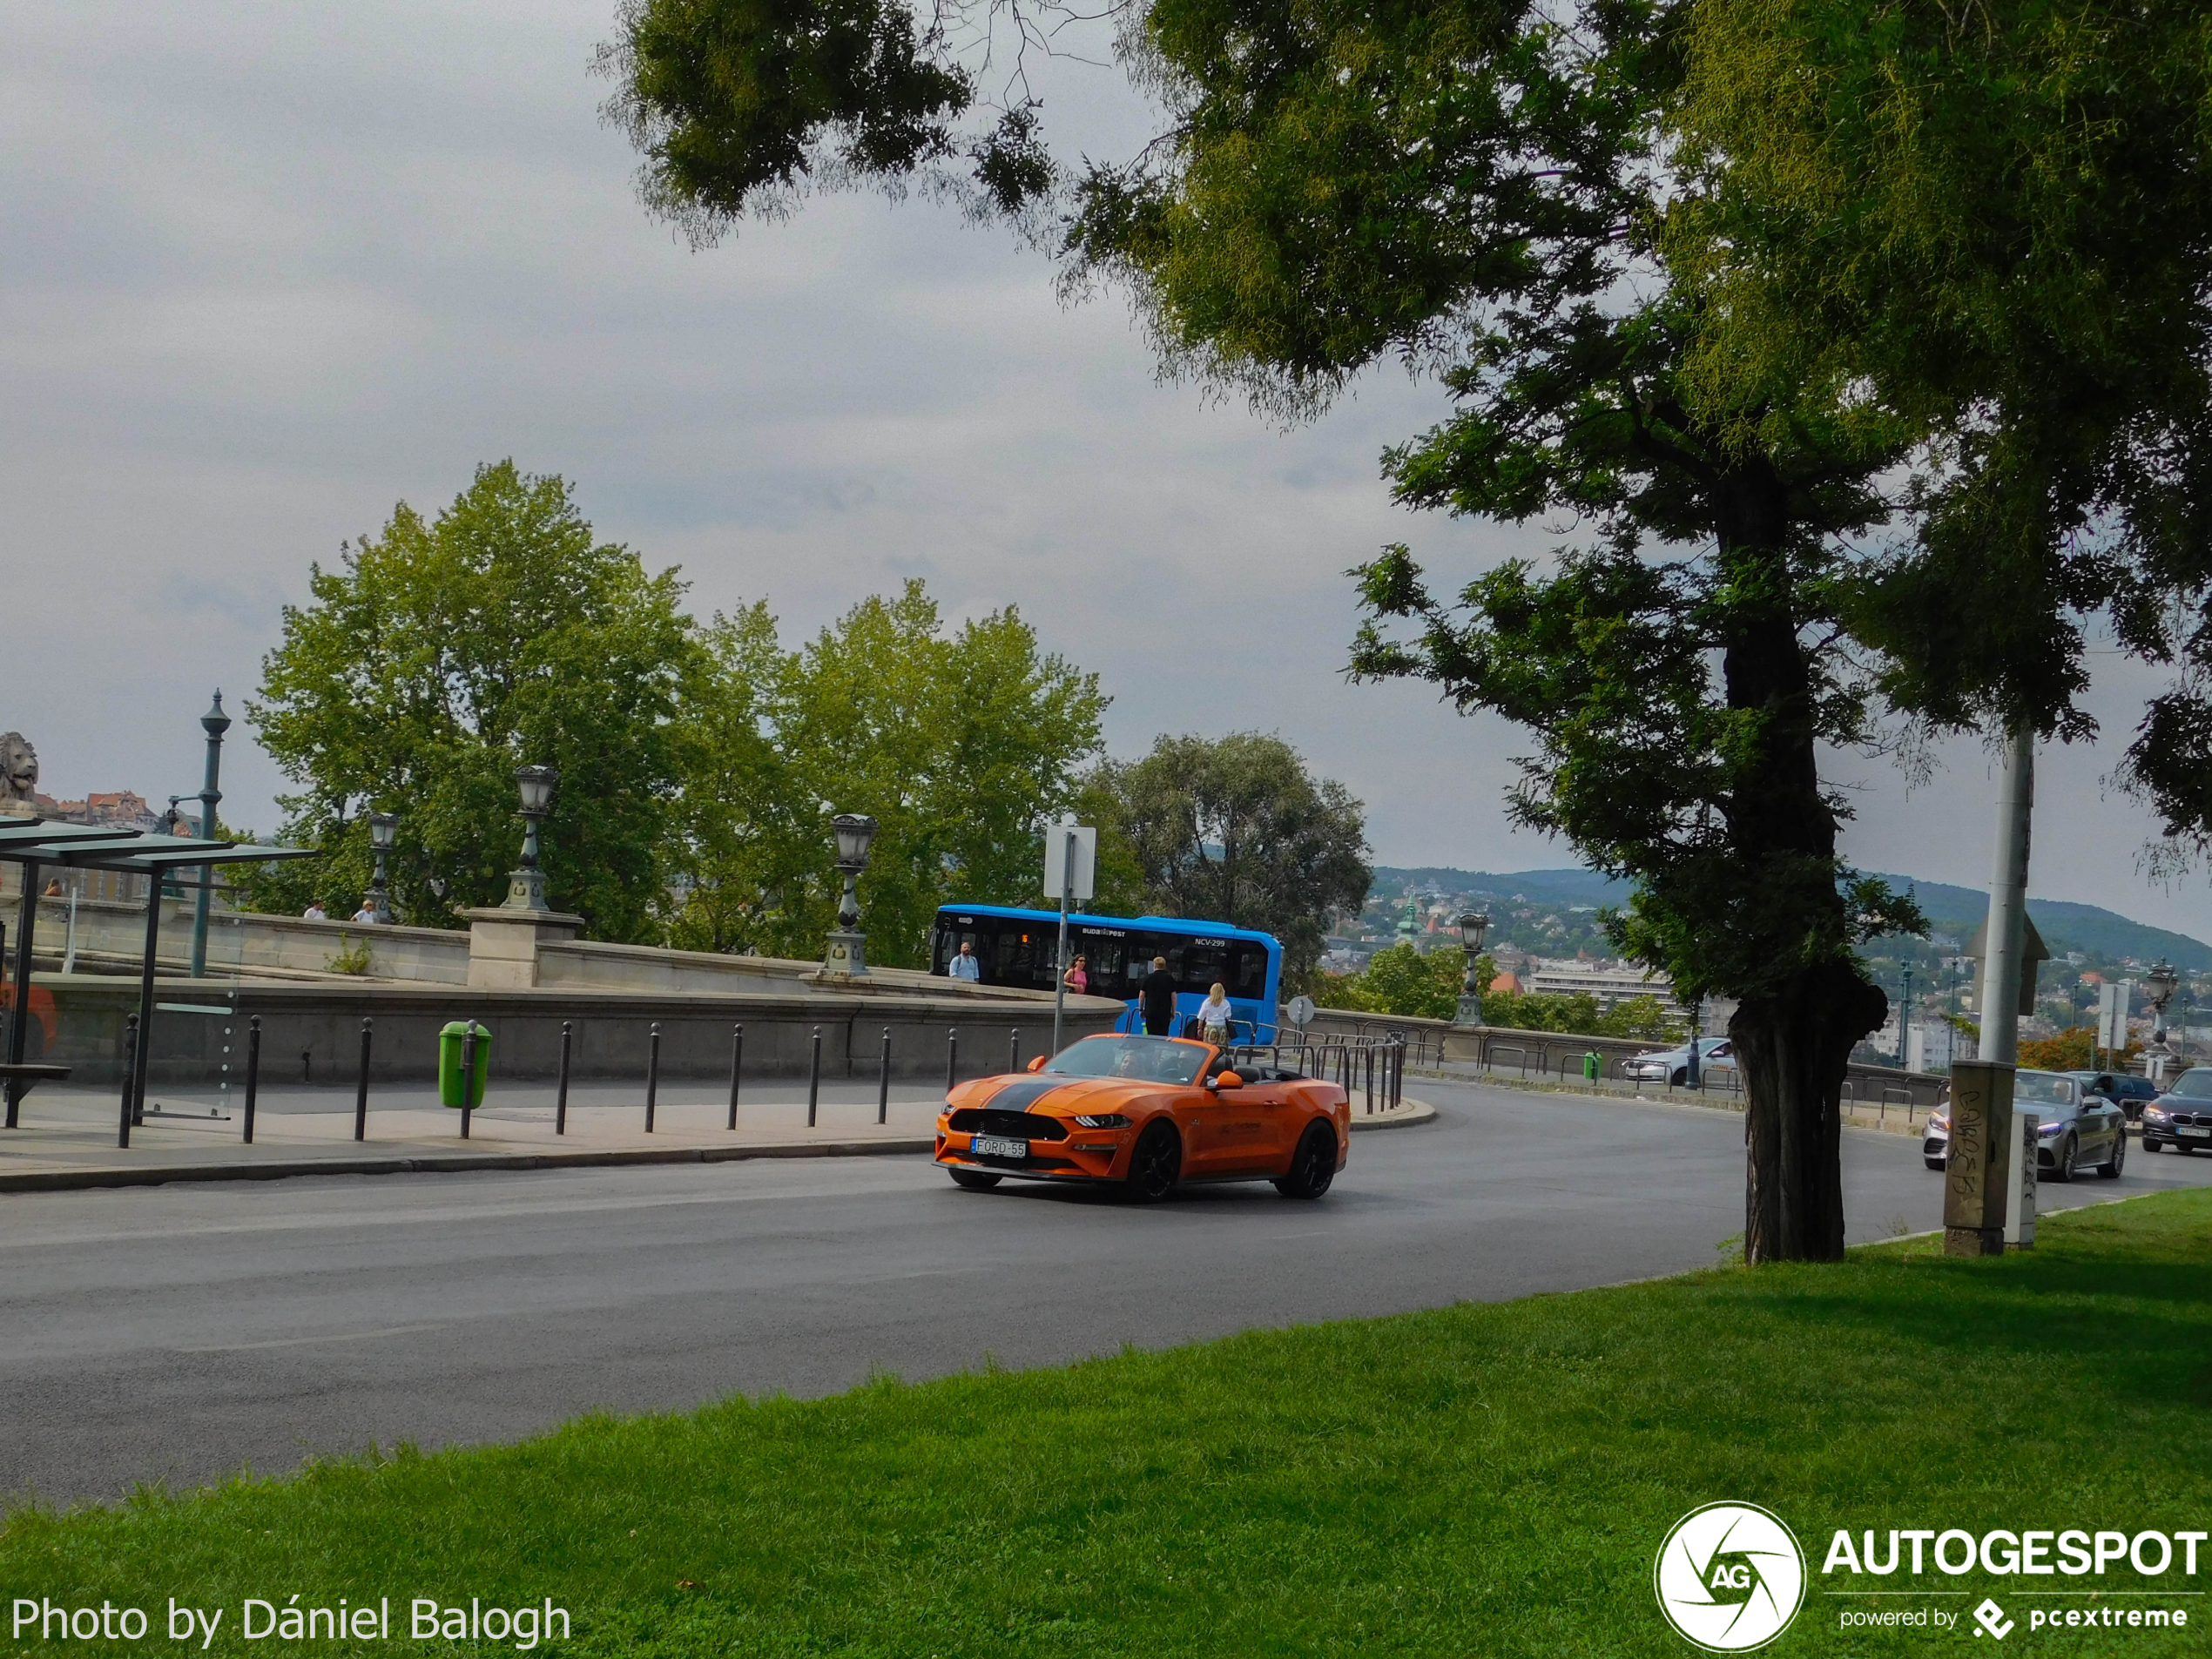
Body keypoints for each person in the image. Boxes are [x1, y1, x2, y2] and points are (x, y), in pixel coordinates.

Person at [1139, 955, 1177, 1036]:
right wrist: (1173, 1012)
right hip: (1164, 1013)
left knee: (1151, 1036)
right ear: (1164, 966)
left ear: (1155, 965)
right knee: (1163, 1036)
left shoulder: (1148, 978)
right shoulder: (1170, 979)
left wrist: (1141, 1009)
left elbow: (1142, 996)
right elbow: (1173, 997)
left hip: (1151, 1012)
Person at [1197, 981, 1233, 1045]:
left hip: (1210, 1027)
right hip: (1222, 1027)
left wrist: (1199, 1028)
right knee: (1220, 1048)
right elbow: (1228, 1017)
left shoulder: (1207, 1002)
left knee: (1209, 1047)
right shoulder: (1226, 1003)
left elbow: (1201, 1017)